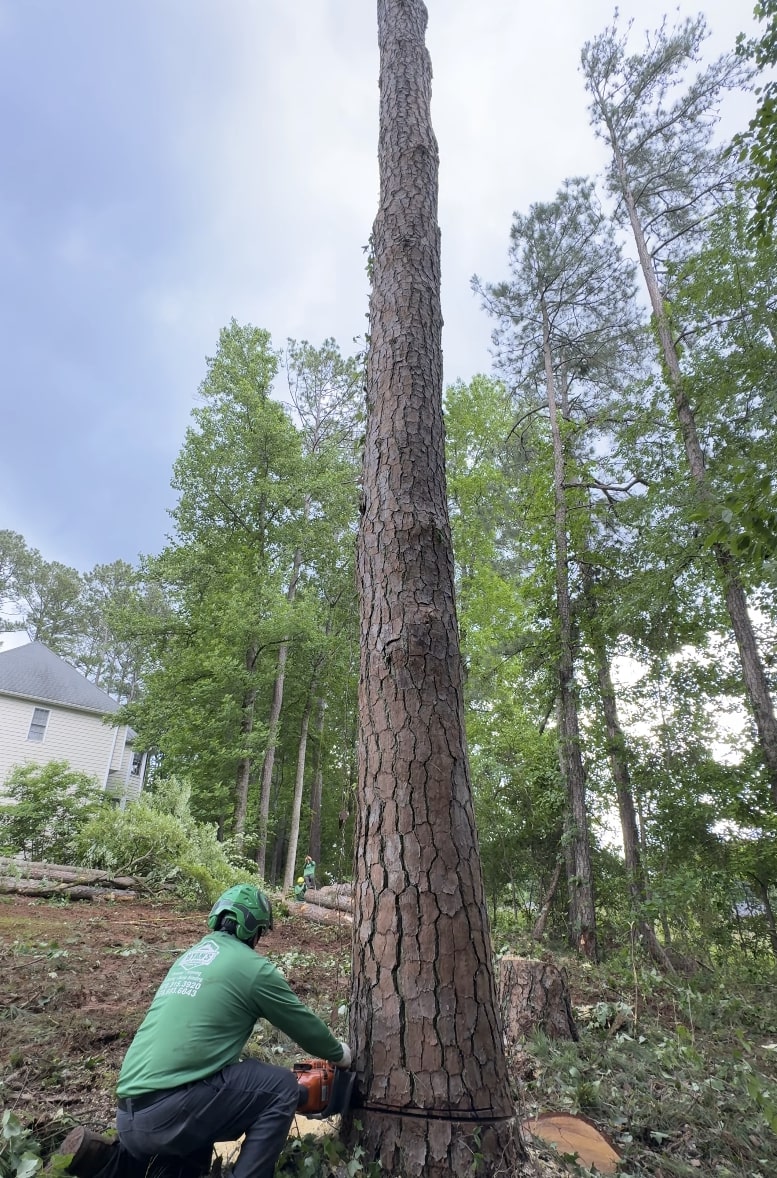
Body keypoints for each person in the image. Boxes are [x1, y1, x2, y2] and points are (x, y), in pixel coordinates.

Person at [58, 885, 351, 1178]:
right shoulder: (253, 968)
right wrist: (340, 1055)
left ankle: (122, 1166)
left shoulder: (188, 959)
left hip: (129, 1117)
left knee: (210, 1090)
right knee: (281, 1087)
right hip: (169, 1117)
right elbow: (304, 1026)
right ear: (255, 931)